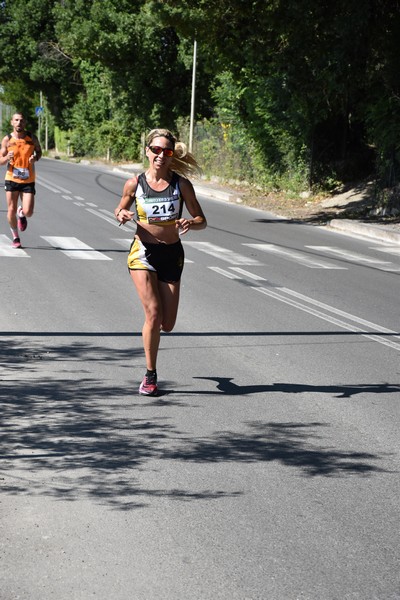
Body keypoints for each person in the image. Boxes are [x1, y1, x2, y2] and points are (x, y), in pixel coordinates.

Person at [114, 128, 207, 396]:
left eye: (166, 152)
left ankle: (151, 370)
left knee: (168, 324)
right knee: (153, 314)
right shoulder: (135, 184)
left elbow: (202, 220)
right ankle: (150, 375)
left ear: (170, 155)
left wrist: (191, 222)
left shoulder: (182, 185)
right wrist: (121, 214)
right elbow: (119, 208)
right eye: (156, 150)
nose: (160, 156)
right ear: (147, 151)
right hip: (142, 252)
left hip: (172, 254)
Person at [0, 112, 42, 248]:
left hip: (28, 179)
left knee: (29, 212)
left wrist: (35, 158)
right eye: (16, 120)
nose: (19, 123)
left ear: (25, 123)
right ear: (12, 122)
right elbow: (0, 160)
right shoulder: (6, 140)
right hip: (11, 178)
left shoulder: (31, 138)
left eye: (21, 121)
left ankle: (22, 213)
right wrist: (7, 158)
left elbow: (39, 151)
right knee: (10, 209)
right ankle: (15, 237)